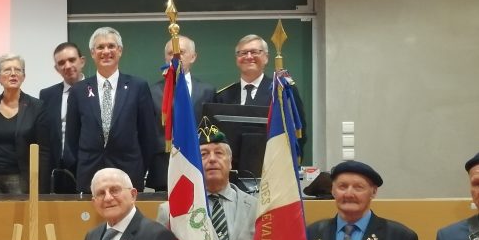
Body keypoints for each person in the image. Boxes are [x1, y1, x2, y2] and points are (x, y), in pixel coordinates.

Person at [65, 27, 158, 194]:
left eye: (111, 46)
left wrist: (139, 167)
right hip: (89, 176)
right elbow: (72, 140)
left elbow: (148, 136)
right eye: (100, 47)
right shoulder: (78, 90)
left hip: (129, 174)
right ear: (92, 53)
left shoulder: (138, 87)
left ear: (120, 51)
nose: (106, 51)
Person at [213, 33, 308, 149]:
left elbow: (299, 134)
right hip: (232, 165)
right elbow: (217, 138)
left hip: (272, 163)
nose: (248, 57)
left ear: (266, 57)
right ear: (237, 59)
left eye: (254, 52)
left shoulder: (281, 91)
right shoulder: (223, 96)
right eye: (243, 53)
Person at [147, 36, 216, 191]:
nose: (176, 57)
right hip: (163, 171)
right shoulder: (152, 92)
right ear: (165, 58)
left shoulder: (207, 91)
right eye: (171, 53)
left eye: (181, 52)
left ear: (193, 57)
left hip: (198, 167)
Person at [0, 54, 42, 194]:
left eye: (17, 70)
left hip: (20, 179)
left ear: (23, 76)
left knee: (18, 217)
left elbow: (44, 149)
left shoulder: (36, 106)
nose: (13, 74)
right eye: (7, 70)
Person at [37, 41, 86, 194]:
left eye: (72, 60)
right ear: (56, 68)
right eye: (61, 62)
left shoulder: (95, 90)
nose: (67, 66)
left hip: (87, 166)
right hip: (57, 169)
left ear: (82, 61)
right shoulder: (47, 95)